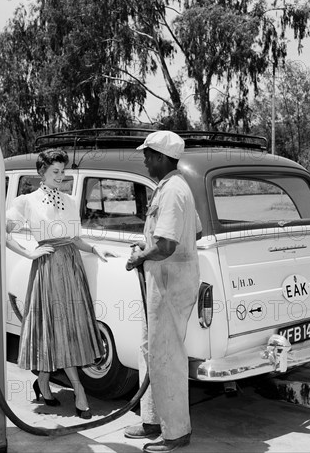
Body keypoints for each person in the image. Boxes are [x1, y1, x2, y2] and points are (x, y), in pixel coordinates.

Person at [5, 148, 116, 419]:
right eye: (55, 171)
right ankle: (79, 391)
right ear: (41, 172)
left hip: (72, 267)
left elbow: (75, 239)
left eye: (63, 171)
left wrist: (95, 249)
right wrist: (30, 253)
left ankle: (43, 381)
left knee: (67, 331)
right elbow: (3, 232)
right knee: (55, 329)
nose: (60, 176)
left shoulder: (70, 199)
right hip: (48, 269)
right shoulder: (26, 201)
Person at [124, 131, 202, 452]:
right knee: (150, 351)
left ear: (160, 157)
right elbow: (192, 230)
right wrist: (149, 244)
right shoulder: (172, 187)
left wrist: (141, 256)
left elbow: (168, 244)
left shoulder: (172, 191)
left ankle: (176, 433)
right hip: (165, 281)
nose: (144, 160)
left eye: (147, 155)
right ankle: (153, 419)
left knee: (167, 358)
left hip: (170, 285)